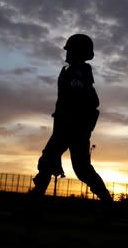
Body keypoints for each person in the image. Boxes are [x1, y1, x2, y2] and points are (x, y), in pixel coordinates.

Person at [32, 34, 112, 203]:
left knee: (54, 163)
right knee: (73, 167)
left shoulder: (78, 74)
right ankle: (108, 203)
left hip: (72, 128)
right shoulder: (75, 72)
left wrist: (70, 124)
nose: (67, 54)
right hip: (69, 127)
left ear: (79, 52)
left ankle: (33, 203)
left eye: (70, 50)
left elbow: (83, 102)